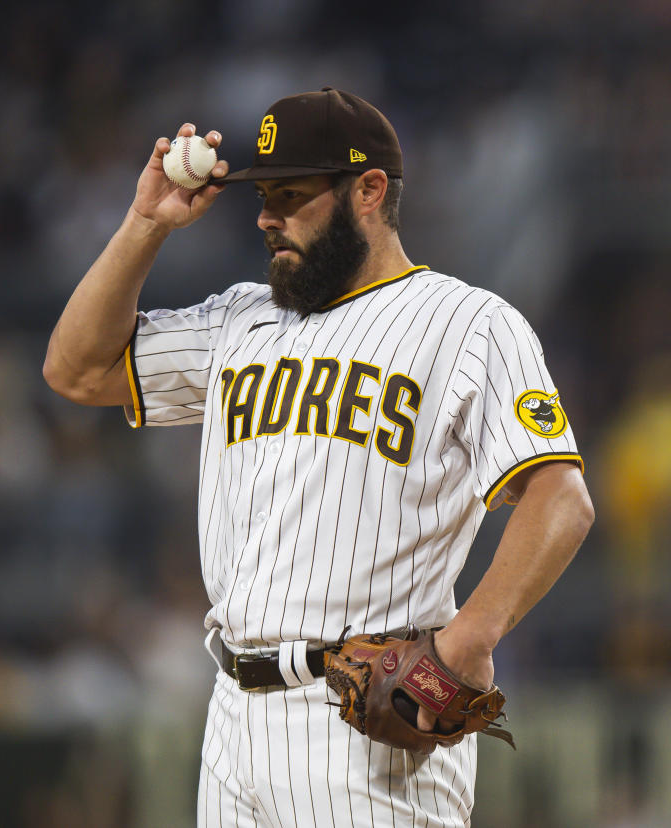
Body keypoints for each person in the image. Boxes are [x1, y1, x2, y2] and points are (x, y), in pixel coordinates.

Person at [43, 87, 594, 827]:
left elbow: (560, 498)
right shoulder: (241, 318)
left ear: (368, 190)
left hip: (363, 719)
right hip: (232, 712)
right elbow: (74, 369)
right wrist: (145, 225)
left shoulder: (468, 324)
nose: (267, 215)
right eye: (264, 194)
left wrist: (470, 637)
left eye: (292, 194)